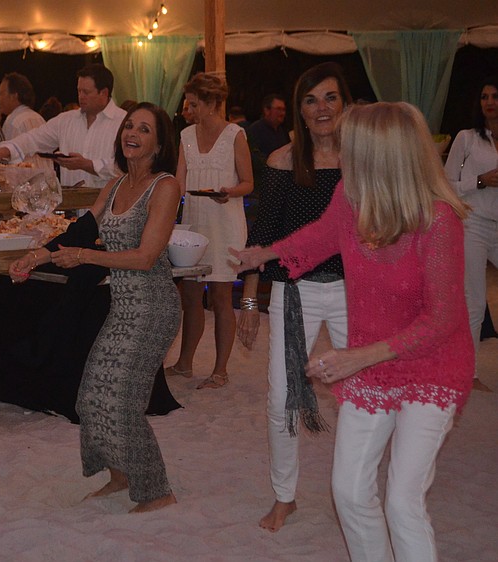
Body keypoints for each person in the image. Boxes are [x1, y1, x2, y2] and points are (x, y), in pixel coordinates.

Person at [232, 102, 473, 561]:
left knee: (403, 501)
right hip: (371, 365)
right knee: (349, 492)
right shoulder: (352, 195)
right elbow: (320, 237)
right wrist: (262, 254)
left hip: (432, 369)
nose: (339, 151)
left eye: (350, 144)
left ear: (381, 153)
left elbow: (442, 321)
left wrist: (359, 357)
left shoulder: (438, 220)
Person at [8, 102, 182, 512]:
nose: (132, 133)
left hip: (154, 306)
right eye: (128, 126)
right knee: (90, 396)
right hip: (122, 306)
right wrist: (39, 257)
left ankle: (158, 491)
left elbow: (145, 256)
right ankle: (119, 476)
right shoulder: (117, 185)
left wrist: (85, 257)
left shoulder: (165, 185)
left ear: (159, 142)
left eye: (144, 128)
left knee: (123, 400)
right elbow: (81, 231)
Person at [237, 62, 352, 532]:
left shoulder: (365, 159)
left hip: (354, 292)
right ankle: (285, 496)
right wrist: (248, 299)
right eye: (310, 99)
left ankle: (356, 490)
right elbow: (264, 234)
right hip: (293, 291)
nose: (321, 108)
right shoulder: (282, 160)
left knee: (361, 398)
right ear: (298, 110)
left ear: (346, 105)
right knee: (282, 397)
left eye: (330, 98)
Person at [165, 72, 253, 389]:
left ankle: (220, 369)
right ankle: (185, 362)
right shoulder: (186, 135)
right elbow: (179, 179)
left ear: (212, 102)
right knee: (189, 296)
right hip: (195, 222)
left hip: (225, 223)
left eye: (194, 104)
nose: (189, 111)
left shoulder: (235, 135)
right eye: (188, 105)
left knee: (220, 296)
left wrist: (229, 191)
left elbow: (249, 182)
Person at [0, 64, 127, 188]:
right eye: (79, 91)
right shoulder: (66, 120)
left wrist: (87, 164)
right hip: (74, 210)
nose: (81, 96)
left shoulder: (124, 122)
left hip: (111, 211)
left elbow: (127, 166)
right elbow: (34, 138)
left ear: (104, 93)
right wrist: (6, 149)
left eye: (86, 92)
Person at [444, 75, 498, 392]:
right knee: (475, 301)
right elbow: (446, 185)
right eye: (484, 96)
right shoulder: (467, 139)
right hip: (473, 224)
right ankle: (468, 372)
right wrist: (480, 180)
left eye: (494, 96)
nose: (489, 102)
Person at [0, 72, 53, 173]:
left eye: (1, 93)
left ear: (14, 96)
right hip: (46, 183)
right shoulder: (38, 118)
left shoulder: (13, 121)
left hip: (27, 185)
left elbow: (10, 163)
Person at [246, 94, 289, 159]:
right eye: (278, 109)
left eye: (283, 110)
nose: (282, 113)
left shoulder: (283, 131)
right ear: (267, 110)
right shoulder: (255, 131)